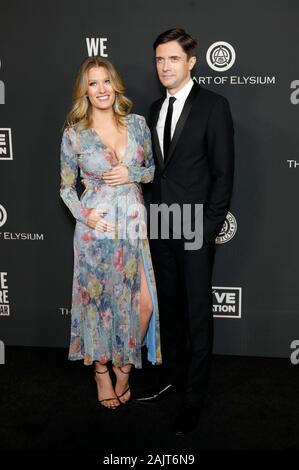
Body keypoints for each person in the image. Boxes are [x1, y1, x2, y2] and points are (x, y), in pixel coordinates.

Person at [137, 29, 234, 434]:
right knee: (172, 310)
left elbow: (223, 173)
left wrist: (208, 229)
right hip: (161, 225)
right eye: (160, 59)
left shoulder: (214, 106)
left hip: (195, 227)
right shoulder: (155, 107)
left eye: (173, 59)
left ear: (191, 62)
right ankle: (174, 380)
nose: (165, 66)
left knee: (196, 314)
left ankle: (195, 397)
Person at [60, 56, 161, 410]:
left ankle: (124, 365)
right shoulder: (74, 134)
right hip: (96, 232)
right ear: (84, 90)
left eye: (106, 81)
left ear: (114, 84)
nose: (101, 89)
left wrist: (131, 172)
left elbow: (150, 171)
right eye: (93, 83)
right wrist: (86, 216)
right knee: (99, 306)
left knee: (143, 304)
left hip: (133, 227)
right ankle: (102, 372)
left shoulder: (136, 125)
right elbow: (66, 188)